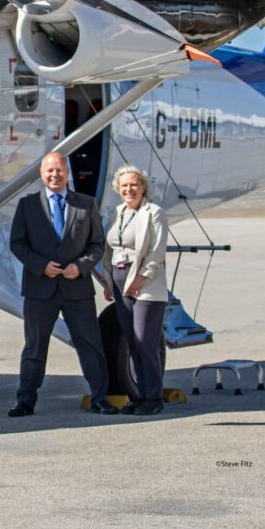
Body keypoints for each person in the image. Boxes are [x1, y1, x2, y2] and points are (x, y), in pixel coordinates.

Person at [8, 151, 117, 416]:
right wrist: (40, 266)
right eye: (49, 171)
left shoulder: (86, 204)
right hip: (39, 289)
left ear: (67, 173)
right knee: (34, 347)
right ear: (41, 174)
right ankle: (25, 400)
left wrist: (78, 267)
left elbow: (96, 245)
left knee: (90, 345)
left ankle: (101, 397)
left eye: (59, 170)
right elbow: (17, 244)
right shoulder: (27, 205)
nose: (54, 175)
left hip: (76, 288)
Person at [102, 166, 169, 415]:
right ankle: (141, 396)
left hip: (145, 285)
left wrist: (141, 278)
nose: (129, 190)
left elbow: (157, 251)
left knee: (144, 341)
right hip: (120, 284)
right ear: (118, 190)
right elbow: (111, 249)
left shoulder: (154, 213)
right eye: (124, 186)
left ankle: (154, 397)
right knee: (131, 341)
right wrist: (109, 280)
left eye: (134, 185)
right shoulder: (119, 212)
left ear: (143, 187)